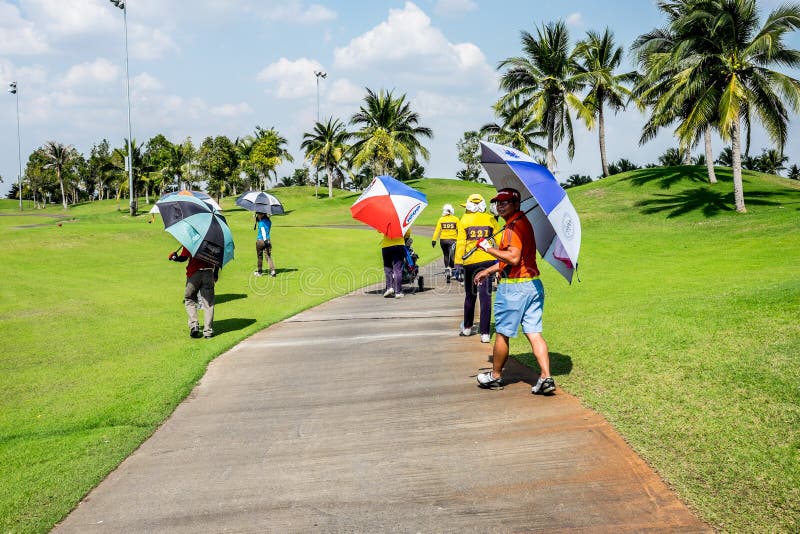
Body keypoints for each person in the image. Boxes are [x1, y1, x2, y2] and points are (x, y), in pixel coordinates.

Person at [473, 188, 555, 395]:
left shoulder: (512, 228)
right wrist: (489, 270)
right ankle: (546, 376)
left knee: (502, 333)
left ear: (516, 204)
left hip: (514, 288)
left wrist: (487, 248)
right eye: (497, 202)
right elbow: (516, 260)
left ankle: (495, 376)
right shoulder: (521, 223)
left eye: (506, 202)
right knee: (534, 332)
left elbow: (513, 258)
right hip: (532, 284)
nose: (500, 206)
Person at [454, 193, 500, 343]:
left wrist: (457, 263)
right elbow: (500, 239)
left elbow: (461, 243)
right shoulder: (490, 219)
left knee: (470, 295)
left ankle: (467, 328)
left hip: (470, 262)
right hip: (487, 261)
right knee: (485, 297)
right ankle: (485, 333)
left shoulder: (464, 220)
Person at [168, 246, 219, 339]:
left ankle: (194, 325)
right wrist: (215, 274)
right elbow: (217, 260)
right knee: (208, 303)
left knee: (189, 299)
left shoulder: (192, 240)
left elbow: (183, 258)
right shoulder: (214, 242)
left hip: (194, 274)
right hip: (208, 273)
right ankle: (208, 332)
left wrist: (174, 257)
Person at [431, 204, 460, 283]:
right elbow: (460, 230)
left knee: (446, 255)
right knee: (453, 255)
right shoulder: (456, 219)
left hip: (443, 240)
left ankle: (447, 269)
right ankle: (452, 270)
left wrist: (434, 240)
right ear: (451, 211)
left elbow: (437, 230)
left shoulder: (441, 219)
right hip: (453, 240)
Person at [381, 228, 410, 299]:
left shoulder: (385, 219)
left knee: (387, 268)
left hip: (386, 246)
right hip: (398, 246)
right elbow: (407, 234)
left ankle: (389, 288)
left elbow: (380, 230)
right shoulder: (401, 219)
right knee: (397, 269)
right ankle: (398, 292)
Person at [254, 212, 276, 277]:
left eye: (258, 214)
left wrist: (264, 239)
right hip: (268, 241)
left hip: (261, 241)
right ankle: (273, 271)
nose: (258, 215)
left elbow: (263, 231)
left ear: (262, 214)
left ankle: (259, 272)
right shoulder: (269, 221)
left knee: (260, 257)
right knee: (268, 256)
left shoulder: (261, 223)